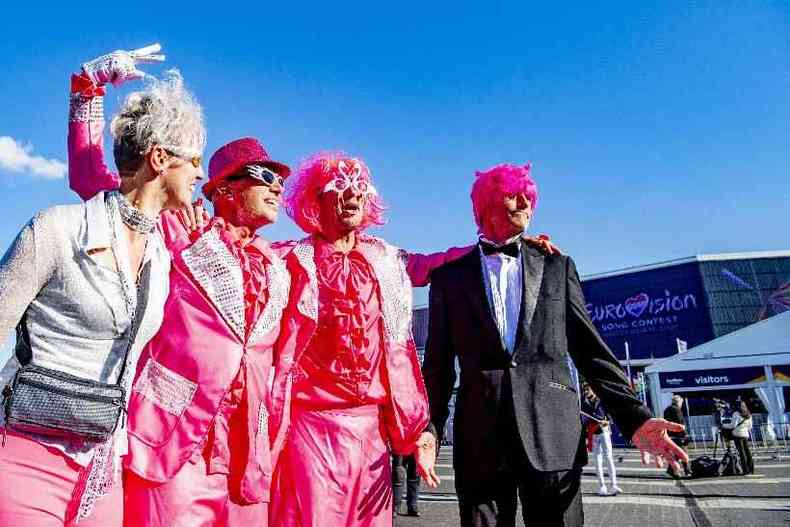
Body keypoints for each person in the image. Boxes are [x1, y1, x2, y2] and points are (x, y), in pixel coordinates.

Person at [0, 45, 206, 525]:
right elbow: (89, 172)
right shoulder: (56, 228)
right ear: (160, 158)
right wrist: (86, 91)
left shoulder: (165, 251)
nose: (201, 173)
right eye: (192, 159)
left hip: (103, 469)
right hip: (27, 455)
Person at [420, 163, 689, 526]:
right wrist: (429, 430)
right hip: (480, 441)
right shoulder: (449, 278)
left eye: (528, 197)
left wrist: (635, 418)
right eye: (513, 195)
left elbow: (591, 352)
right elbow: (436, 368)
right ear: (486, 205)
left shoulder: (557, 266)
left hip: (553, 435)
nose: (525, 203)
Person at [70, 133, 290, 524]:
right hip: (174, 449)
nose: (276, 185)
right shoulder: (180, 231)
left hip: (246, 463)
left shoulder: (279, 262)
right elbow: (98, 184)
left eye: (280, 180)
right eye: (262, 175)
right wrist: (87, 96)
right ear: (224, 188)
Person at [582, 384, 621, 496]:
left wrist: (607, 422)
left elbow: (610, 416)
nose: (586, 392)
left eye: (587, 389)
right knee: (597, 461)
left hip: (604, 431)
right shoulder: (583, 403)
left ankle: (614, 485)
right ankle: (602, 486)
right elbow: (583, 420)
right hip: (593, 434)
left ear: (593, 390)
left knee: (609, 458)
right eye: (584, 390)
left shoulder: (602, 401)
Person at [662, 394, 690, 477]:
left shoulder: (666, 410)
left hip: (670, 435)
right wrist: (685, 434)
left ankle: (671, 470)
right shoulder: (677, 410)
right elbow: (679, 423)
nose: (681, 404)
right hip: (678, 435)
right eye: (681, 402)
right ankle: (688, 471)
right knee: (683, 453)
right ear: (678, 402)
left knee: (677, 454)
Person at [732, 396, 754, 475]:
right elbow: (750, 426)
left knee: (742, 453)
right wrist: (744, 429)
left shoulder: (736, 413)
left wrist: (724, 426)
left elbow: (733, 425)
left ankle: (745, 470)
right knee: (748, 452)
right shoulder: (748, 414)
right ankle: (751, 469)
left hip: (737, 435)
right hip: (745, 435)